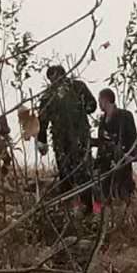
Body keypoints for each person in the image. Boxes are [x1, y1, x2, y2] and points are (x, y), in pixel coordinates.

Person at [36, 65, 97, 212]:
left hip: (80, 137)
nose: (53, 80)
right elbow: (42, 120)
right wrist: (42, 140)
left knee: (84, 173)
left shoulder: (78, 87)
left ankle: (87, 208)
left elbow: (92, 105)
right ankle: (68, 210)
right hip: (61, 141)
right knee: (65, 173)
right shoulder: (48, 95)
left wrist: (78, 110)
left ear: (63, 75)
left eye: (55, 76)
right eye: (50, 78)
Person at [95, 88, 137, 203]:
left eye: (100, 100)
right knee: (105, 188)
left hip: (122, 156)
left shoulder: (125, 115)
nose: (99, 103)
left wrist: (132, 154)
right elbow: (101, 142)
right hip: (106, 160)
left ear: (105, 100)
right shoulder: (102, 120)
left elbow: (132, 135)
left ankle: (128, 208)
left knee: (123, 187)